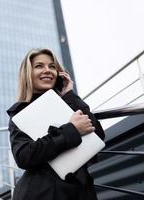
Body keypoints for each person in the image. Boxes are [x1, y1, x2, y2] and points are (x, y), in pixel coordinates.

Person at [6, 48, 105, 200]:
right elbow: (23, 156)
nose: (47, 70)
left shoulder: (69, 102)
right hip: (42, 193)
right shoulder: (20, 112)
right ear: (28, 74)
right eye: (39, 66)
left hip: (81, 191)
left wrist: (70, 95)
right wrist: (71, 130)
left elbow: (98, 135)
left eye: (52, 66)